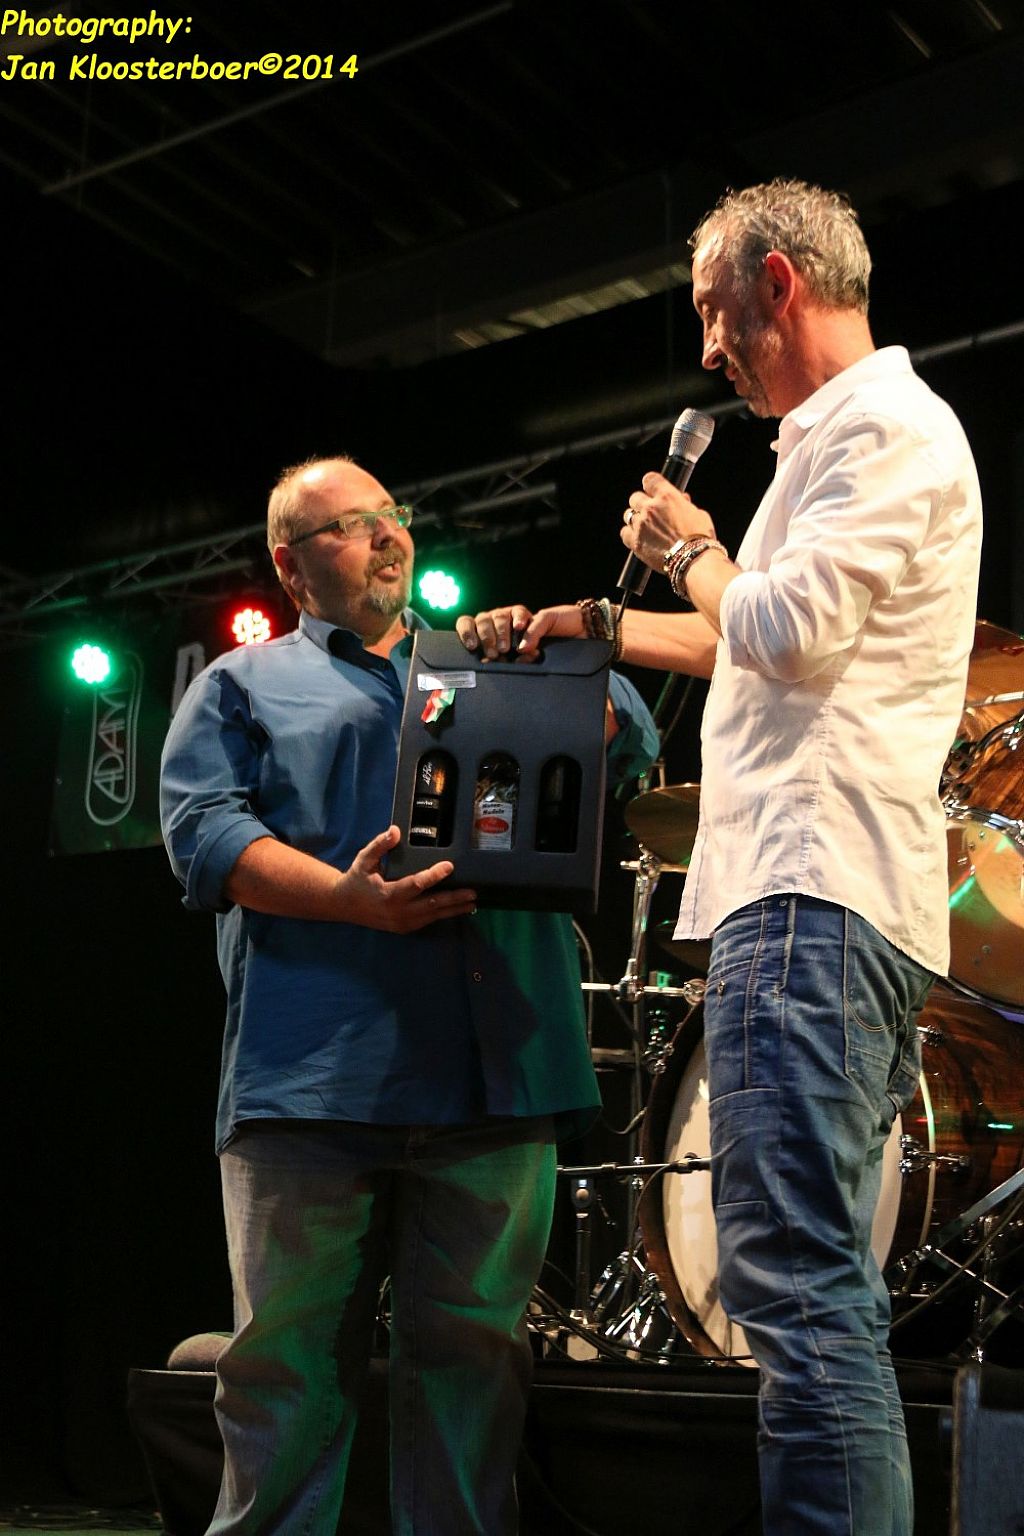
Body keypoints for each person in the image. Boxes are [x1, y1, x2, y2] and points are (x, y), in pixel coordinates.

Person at [457, 179, 983, 1536]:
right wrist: (596, 623)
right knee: (803, 1285)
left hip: (812, 891)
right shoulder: (839, 441)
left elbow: (784, 629)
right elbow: (748, 631)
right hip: (814, 894)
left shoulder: (883, 427)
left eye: (712, 312)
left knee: (794, 1286)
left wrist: (690, 545)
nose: (707, 349)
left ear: (778, 284)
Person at [159, 454, 657, 1536]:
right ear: (291, 567)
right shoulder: (241, 685)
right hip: (314, 1083)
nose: (386, 536)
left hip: (494, 1080)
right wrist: (350, 902)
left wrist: (556, 665)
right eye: (349, 525)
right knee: (284, 1382)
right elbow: (205, 835)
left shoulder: (489, 657)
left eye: (391, 516)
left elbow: (627, 732)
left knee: (475, 1381)